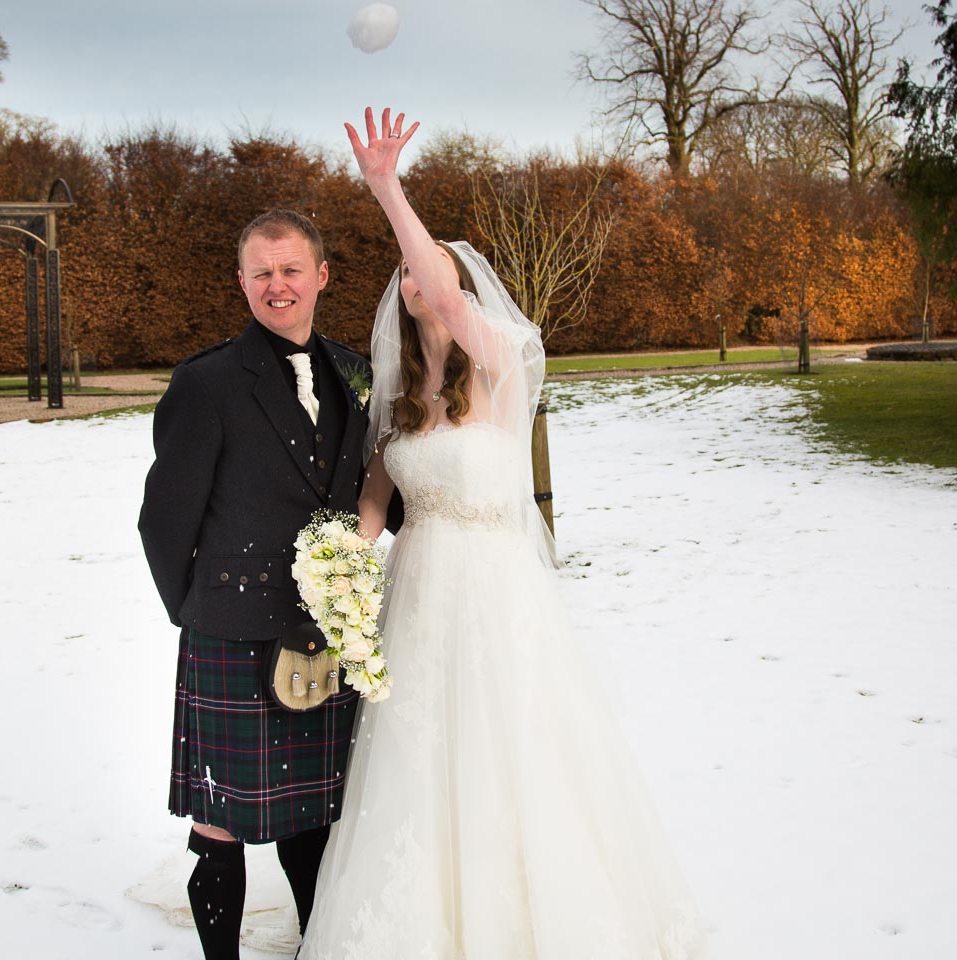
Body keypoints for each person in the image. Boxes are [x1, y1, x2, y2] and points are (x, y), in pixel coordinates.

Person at [300, 109, 707, 960]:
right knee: (417, 752)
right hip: (417, 594)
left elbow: (447, 296)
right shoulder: (396, 397)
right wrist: (341, 570)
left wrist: (387, 188)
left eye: (430, 267)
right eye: (406, 271)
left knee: (510, 743)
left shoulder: (502, 358)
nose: (418, 279)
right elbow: (374, 499)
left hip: (494, 588)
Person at [139, 208, 375, 960]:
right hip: (231, 631)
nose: (278, 285)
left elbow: (374, 490)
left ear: (321, 276)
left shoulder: (356, 371)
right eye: (262, 272)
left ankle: (317, 947)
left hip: (327, 624)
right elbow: (163, 520)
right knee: (220, 820)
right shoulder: (205, 382)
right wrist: (199, 612)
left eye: (291, 269)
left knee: (316, 811)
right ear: (241, 281)